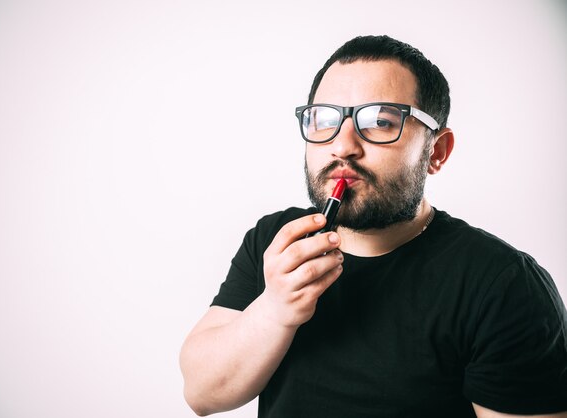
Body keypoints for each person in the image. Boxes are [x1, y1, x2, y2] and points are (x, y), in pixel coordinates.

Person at [179, 35, 567, 417]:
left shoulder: (502, 284)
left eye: (380, 120)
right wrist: (275, 309)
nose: (343, 145)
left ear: (437, 152)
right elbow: (202, 394)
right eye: (325, 119)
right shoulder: (276, 240)